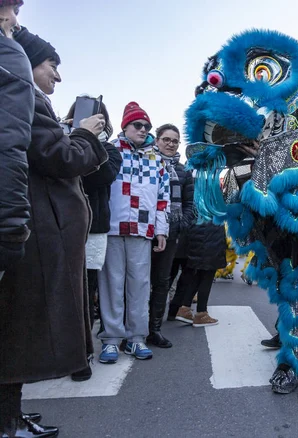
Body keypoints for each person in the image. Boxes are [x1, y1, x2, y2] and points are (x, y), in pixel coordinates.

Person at [2, 27, 108, 438]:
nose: (58, 77)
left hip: (31, 231)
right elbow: (59, 157)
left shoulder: (24, 100)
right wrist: (85, 134)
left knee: (16, 327)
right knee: (18, 331)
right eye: (52, 66)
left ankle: (10, 415)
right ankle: (7, 422)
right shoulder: (23, 98)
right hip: (32, 235)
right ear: (26, 63)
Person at [97, 102, 170, 364]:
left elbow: (163, 199)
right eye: (137, 125)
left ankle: (137, 338)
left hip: (142, 229)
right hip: (113, 227)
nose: (143, 129)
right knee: (112, 284)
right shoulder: (110, 151)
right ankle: (111, 340)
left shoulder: (157, 159)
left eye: (147, 126)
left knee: (140, 286)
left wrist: (161, 230)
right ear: (125, 126)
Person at [63, 99, 122, 382]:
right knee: (58, 290)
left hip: (94, 228)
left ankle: (81, 353)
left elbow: (101, 176)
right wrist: (73, 137)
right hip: (59, 226)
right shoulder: (61, 140)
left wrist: (85, 139)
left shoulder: (109, 149)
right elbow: (58, 166)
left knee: (86, 291)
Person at [148, 124, 194, 348]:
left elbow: (189, 205)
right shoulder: (146, 162)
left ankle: (154, 329)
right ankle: (132, 327)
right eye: (166, 139)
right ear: (157, 141)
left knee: (162, 282)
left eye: (175, 141)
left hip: (171, 234)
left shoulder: (184, 171)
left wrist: (179, 226)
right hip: (144, 233)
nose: (170, 143)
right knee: (137, 281)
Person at [0, 0, 32, 280]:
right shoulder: (9, 55)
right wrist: (11, 229)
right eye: (14, 10)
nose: (16, 22)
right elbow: (9, 146)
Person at [167, 220, 226, 327]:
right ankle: (201, 313)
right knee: (207, 274)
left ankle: (185, 309)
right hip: (210, 234)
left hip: (196, 233)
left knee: (198, 274)